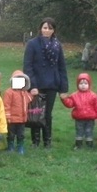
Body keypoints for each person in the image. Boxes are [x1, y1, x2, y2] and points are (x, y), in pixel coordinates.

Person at [23, 17, 69, 149]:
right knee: (36, 112)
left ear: (54, 30)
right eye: (45, 27)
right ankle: (35, 141)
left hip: (52, 84)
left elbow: (62, 67)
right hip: (37, 84)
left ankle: (47, 141)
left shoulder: (57, 45)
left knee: (47, 113)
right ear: (40, 28)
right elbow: (28, 66)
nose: (47, 30)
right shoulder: (32, 44)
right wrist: (32, 86)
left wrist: (63, 89)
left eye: (50, 28)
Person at [60, 73, 97, 150]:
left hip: (90, 118)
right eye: (81, 83)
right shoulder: (74, 95)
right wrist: (64, 99)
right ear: (78, 84)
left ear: (89, 84)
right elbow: (70, 104)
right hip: (79, 118)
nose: (83, 85)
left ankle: (89, 144)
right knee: (79, 131)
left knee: (89, 131)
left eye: (85, 83)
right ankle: (78, 144)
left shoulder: (93, 95)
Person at [3, 70, 32, 154]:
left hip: (22, 119)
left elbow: (28, 100)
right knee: (11, 134)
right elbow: (6, 105)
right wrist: (7, 116)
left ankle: (20, 146)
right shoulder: (9, 92)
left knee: (21, 134)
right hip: (12, 119)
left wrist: (32, 94)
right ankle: (10, 146)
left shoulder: (24, 92)